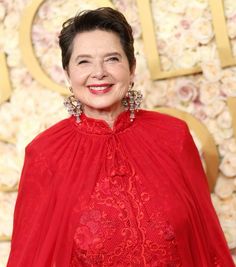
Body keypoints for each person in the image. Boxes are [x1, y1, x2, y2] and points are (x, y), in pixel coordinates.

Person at [6, 7, 234, 267]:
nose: (99, 72)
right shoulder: (46, 154)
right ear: (68, 73)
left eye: (112, 59)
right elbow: (30, 256)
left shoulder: (173, 136)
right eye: (84, 61)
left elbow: (207, 240)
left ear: (132, 67)